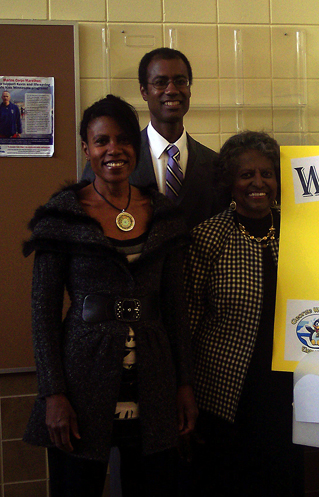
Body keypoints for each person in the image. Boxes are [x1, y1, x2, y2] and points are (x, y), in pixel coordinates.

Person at [23, 94, 198, 497]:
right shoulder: (62, 215)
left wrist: (184, 384)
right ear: (87, 149)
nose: (112, 150)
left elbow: (176, 308)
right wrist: (53, 394)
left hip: (154, 382)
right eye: (101, 141)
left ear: (135, 149)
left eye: (122, 140)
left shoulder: (164, 214)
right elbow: (42, 314)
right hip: (82, 383)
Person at [185, 131, 304, 496]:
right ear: (229, 182)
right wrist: (183, 388)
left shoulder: (300, 231)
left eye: (267, 174)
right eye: (246, 174)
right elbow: (187, 321)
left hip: (288, 391)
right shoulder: (208, 237)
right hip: (225, 394)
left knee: (283, 482)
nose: (258, 183)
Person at [82, 48, 220, 229]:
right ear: (144, 91)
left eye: (180, 81)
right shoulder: (112, 159)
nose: (171, 90)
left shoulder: (214, 164)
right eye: (160, 82)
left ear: (189, 89)